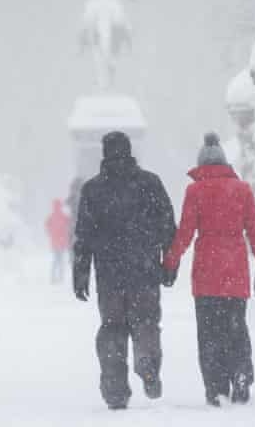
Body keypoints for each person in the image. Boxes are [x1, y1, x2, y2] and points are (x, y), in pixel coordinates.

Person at [162, 132, 255, 407]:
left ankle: (216, 388)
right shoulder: (242, 190)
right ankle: (242, 373)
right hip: (236, 271)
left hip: (206, 274)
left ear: (201, 166)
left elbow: (185, 232)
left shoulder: (195, 191)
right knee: (236, 328)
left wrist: (170, 262)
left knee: (209, 334)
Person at [73, 131, 176, 410]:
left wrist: (80, 273)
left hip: (109, 276)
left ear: (104, 154)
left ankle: (115, 389)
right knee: (146, 322)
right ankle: (147, 362)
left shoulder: (92, 190)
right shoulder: (150, 183)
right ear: (130, 152)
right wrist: (169, 263)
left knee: (113, 329)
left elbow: (84, 236)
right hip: (144, 271)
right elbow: (168, 227)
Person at [45, 199, 71, 284]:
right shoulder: (64, 216)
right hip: (62, 242)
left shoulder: (51, 217)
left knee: (56, 260)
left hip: (55, 242)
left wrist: (51, 234)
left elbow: (47, 227)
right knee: (60, 260)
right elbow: (69, 225)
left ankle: (53, 277)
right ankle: (60, 277)